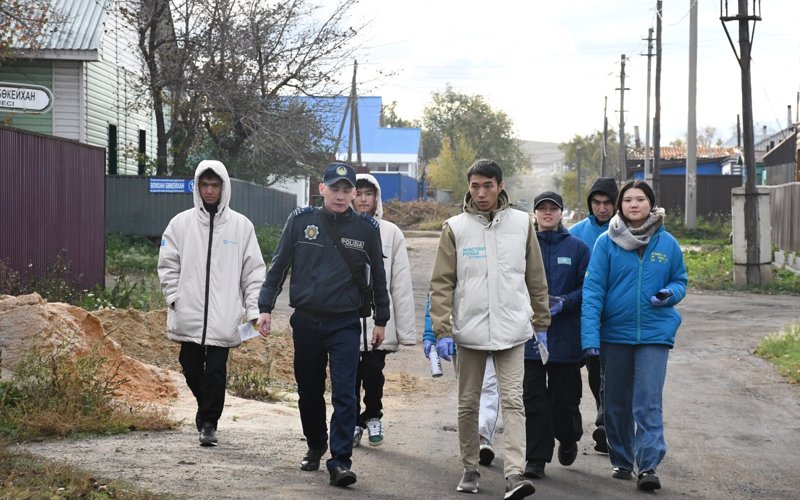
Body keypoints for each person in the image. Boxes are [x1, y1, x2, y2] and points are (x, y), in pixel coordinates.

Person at [256, 162, 390, 488]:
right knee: (310, 391)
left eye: (348, 190)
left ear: (354, 193)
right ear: (322, 189)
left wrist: (381, 319)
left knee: (346, 393)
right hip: (306, 321)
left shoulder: (367, 229)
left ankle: (340, 461)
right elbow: (279, 265)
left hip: (345, 323)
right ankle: (316, 443)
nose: (342, 195)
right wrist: (265, 307)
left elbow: (379, 279)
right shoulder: (301, 222)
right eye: (335, 189)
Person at [429, 158, 549, 500]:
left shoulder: (522, 224)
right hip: (469, 331)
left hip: (512, 330)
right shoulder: (455, 227)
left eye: (488, 185)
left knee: (514, 402)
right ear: (469, 187)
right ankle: (470, 468)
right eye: (475, 186)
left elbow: (535, 277)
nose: (481, 193)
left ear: (501, 185)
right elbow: (441, 283)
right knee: (468, 404)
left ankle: (514, 475)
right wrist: (442, 329)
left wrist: (540, 321)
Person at [581, 180, 687, 492]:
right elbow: (593, 291)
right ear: (620, 206)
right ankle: (623, 460)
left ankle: (649, 465)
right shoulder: (606, 242)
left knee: (647, 401)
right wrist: (590, 337)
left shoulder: (667, 243)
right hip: (614, 335)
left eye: (640, 199)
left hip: (655, 333)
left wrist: (670, 293)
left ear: (650, 204)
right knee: (615, 403)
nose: (634, 205)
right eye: (628, 200)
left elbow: (680, 279)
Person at [157, 160, 266, 447]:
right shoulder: (180, 224)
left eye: (214, 185)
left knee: (216, 371)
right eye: (204, 185)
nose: (209, 190)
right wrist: (173, 298)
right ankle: (206, 407)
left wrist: (253, 314)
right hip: (187, 312)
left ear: (224, 188)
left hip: (225, 317)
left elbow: (254, 274)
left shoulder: (242, 227)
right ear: (197, 187)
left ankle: (208, 423)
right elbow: (167, 265)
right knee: (189, 365)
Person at [522, 191, 590, 479]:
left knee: (565, 398)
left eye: (553, 209)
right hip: (530, 339)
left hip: (565, 337)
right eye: (542, 209)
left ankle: (569, 435)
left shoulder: (577, 248)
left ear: (562, 213)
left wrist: (565, 302)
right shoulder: (524, 246)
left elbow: (588, 289)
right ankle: (536, 457)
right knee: (533, 399)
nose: (547, 213)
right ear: (535, 214)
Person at [351, 173, 416, 448]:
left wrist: (406, 332)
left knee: (373, 375)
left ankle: (373, 415)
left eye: (369, 193)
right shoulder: (341, 227)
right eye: (359, 193)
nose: (363, 199)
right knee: (349, 377)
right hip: (347, 321)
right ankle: (352, 422)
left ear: (377, 197)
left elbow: (400, 284)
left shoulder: (391, 232)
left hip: (379, 323)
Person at [569, 176, 619, 453]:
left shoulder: (624, 231)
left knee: (607, 371)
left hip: (612, 315)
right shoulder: (576, 232)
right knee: (590, 367)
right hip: (582, 312)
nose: (602, 208)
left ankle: (606, 422)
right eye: (597, 203)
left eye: (607, 203)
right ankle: (592, 419)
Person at [422, 295, 500, 466]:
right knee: (468, 393)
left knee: (489, 386)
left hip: (494, 334)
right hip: (463, 334)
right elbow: (436, 296)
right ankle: (473, 439)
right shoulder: (449, 267)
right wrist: (431, 333)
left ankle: (483, 437)